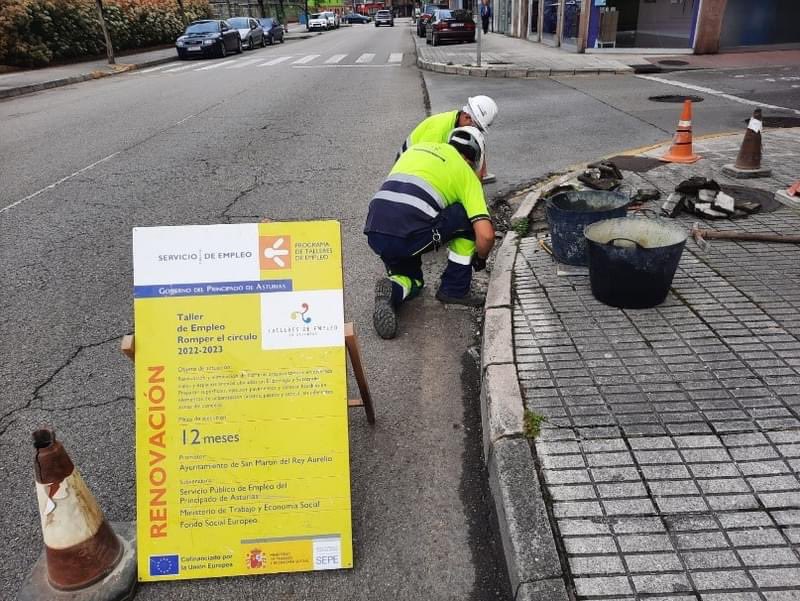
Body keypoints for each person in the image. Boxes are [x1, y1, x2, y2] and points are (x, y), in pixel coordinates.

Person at [364, 127, 496, 340]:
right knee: (468, 217)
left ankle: (393, 289)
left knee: (411, 280)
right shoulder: (464, 171)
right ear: (474, 159)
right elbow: (486, 235)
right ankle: (454, 289)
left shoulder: (417, 150)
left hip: (377, 229)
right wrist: (480, 258)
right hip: (410, 233)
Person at [397, 95, 498, 181]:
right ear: (466, 117)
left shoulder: (460, 120)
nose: (476, 131)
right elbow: (426, 162)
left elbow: (478, 143)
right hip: (408, 166)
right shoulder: (438, 130)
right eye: (476, 127)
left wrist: (481, 173)